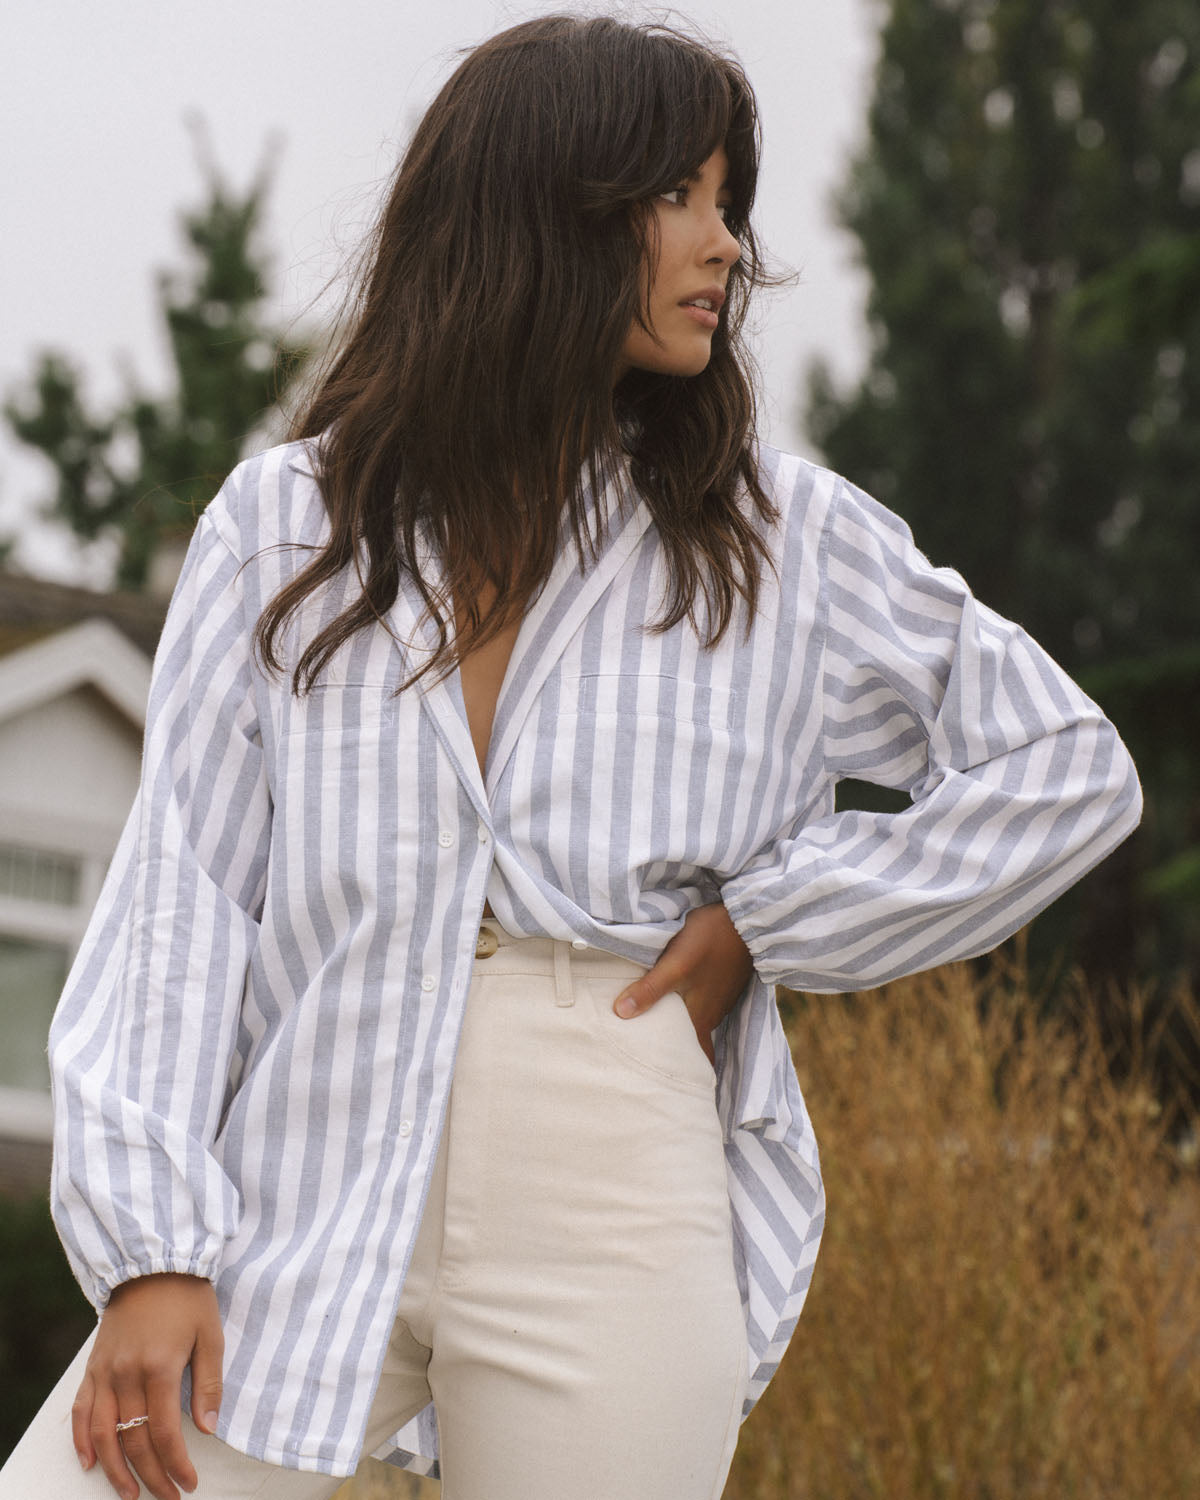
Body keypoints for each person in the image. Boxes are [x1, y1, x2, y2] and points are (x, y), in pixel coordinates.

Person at [1, 14, 1141, 1500]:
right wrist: (150, 1248)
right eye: (683, 196)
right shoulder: (291, 526)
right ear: (546, 208)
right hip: (303, 1159)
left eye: (731, 203)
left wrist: (775, 920)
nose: (726, 244)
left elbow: (1066, 766)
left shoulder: (779, 542)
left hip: (610, 1149)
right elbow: (183, 902)